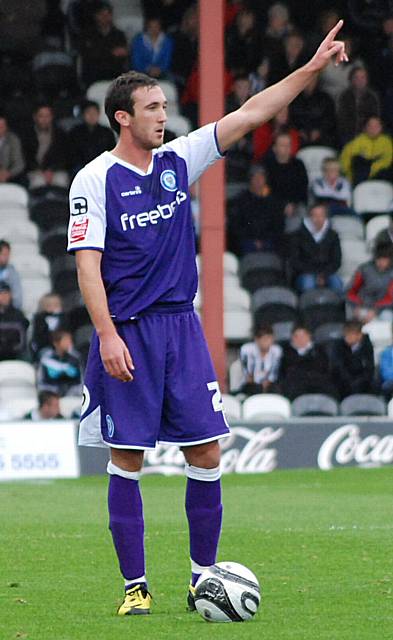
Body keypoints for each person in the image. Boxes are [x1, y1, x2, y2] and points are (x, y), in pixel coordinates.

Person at [66, 22, 347, 615]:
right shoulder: (95, 179)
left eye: (164, 107)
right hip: (131, 332)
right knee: (128, 459)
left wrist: (312, 69)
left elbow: (250, 113)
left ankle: (202, 579)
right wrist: (108, 334)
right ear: (122, 117)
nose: (162, 116)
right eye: (150, 108)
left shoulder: (177, 161)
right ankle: (135, 589)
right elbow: (87, 266)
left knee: (208, 454)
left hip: (181, 330)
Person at [226, 164, 285, 256]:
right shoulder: (240, 200)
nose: (258, 180)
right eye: (255, 177)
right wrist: (253, 241)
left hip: (269, 243)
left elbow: (278, 226)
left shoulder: (273, 202)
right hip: (246, 243)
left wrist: (264, 241)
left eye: (261, 177)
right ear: (250, 179)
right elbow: (236, 226)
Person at [289, 203, 343, 294]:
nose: (318, 219)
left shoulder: (333, 235)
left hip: (327, 273)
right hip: (305, 273)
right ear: (309, 217)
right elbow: (294, 261)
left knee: (337, 284)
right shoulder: (297, 235)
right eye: (315, 216)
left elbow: (337, 260)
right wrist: (314, 273)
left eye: (321, 216)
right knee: (308, 283)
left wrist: (323, 275)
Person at [278, 324, 338, 400]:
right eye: (296, 336)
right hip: (296, 383)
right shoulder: (286, 352)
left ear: (309, 336)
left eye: (302, 336)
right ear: (292, 338)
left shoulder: (319, 350)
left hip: (317, 381)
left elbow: (323, 367)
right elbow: (286, 370)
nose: (300, 339)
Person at [264, 130, 308, 232]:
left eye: (288, 145)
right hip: (274, 206)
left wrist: (293, 204)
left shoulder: (298, 165)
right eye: (282, 145)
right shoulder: (268, 166)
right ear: (274, 148)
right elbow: (266, 191)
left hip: (296, 205)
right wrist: (282, 206)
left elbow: (303, 187)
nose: (286, 148)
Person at [79, 2, 128, 87]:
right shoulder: (88, 35)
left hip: (114, 75)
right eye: (101, 15)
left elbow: (122, 55)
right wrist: (111, 52)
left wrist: (103, 53)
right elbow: (89, 55)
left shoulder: (119, 35)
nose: (105, 18)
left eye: (107, 15)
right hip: (94, 76)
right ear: (96, 16)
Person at [23, 103, 70, 189]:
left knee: (61, 182)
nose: (45, 119)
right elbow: (26, 157)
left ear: (52, 117)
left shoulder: (60, 134)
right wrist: (41, 171)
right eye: (41, 116)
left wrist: (51, 170)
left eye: (47, 116)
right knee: (38, 183)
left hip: (57, 171)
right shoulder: (27, 134)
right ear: (35, 117)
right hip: (35, 171)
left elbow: (65, 156)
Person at [340, 115, 393, 186]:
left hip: (378, 174)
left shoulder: (386, 141)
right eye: (370, 126)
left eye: (377, 126)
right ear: (364, 128)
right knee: (359, 161)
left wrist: (371, 170)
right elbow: (345, 158)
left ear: (381, 127)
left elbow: (387, 160)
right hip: (360, 175)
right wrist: (349, 175)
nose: (373, 129)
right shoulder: (357, 141)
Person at [68, 101, 116, 176]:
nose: (91, 116)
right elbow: (72, 154)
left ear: (99, 114)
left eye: (94, 113)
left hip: (102, 166)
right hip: (81, 167)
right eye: (88, 113)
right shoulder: (75, 132)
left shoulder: (107, 132)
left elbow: (112, 152)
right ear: (83, 114)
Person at [347, 245, 393, 322]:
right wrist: (356, 306)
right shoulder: (364, 269)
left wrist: (375, 311)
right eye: (378, 258)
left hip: (384, 309)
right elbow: (350, 291)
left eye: (384, 259)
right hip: (362, 306)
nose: (381, 262)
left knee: (387, 317)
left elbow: (390, 298)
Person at [330, 320, 376, 400]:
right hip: (344, 381)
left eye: (350, 335)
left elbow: (369, 369)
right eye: (346, 335)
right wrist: (349, 380)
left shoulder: (367, 346)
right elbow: (338, 366)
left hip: (363, 382)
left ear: (359, 335)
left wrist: (359, 381)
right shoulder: (338, 346)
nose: (347, 338)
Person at [336, 67, 381, 145]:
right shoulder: (344, 96)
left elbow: (375, 117)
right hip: (347, 135)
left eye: (363, 77)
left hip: (367, 135)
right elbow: (341, 118)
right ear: (351, 80)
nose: (360, 80)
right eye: (356, 77)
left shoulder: (372, 97)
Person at [37, 329, 82, 397]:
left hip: (72, 395)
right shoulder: (46, 359)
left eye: (70, 340)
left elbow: (80, 381)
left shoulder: (75, 359)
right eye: (65, 340)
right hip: (51, 393)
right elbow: (42, 382)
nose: (69, 343)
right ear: (56, 343)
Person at [239, 324, 282, 396]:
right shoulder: (246, 350)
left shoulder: (276, 351)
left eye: (269, 338)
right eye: (263, 339)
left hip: (269, 384)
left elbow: (274, 371)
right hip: (251, 383)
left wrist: (267, 382)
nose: (266, 342)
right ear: (256, 340)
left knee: (276, 390)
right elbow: (248, 374)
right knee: (255, 389)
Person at [30, 292, 67, 362]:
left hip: (64, 348)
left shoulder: (64, 318)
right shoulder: (39, 319)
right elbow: (38, 338)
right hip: (45, 348)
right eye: (49, 305)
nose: (53, 308)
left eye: (56, 305)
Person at [0, 281, 29, 360]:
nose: (4, 297)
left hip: (15, 354)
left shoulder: (18, 314)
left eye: (6, 293)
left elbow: (22, 340)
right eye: (1, 294)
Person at [0, 113, 26, 184]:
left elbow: (19, 163)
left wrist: (8, 173)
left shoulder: (13, 139)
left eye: (2, 126)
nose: (0, 128)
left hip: (9, 174)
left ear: (6, 127)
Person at [0, 239, 23, 309]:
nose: (7, 257)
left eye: (8, 254)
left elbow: (18, 299)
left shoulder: (13, 273)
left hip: (8, 310)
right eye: (4, 254)